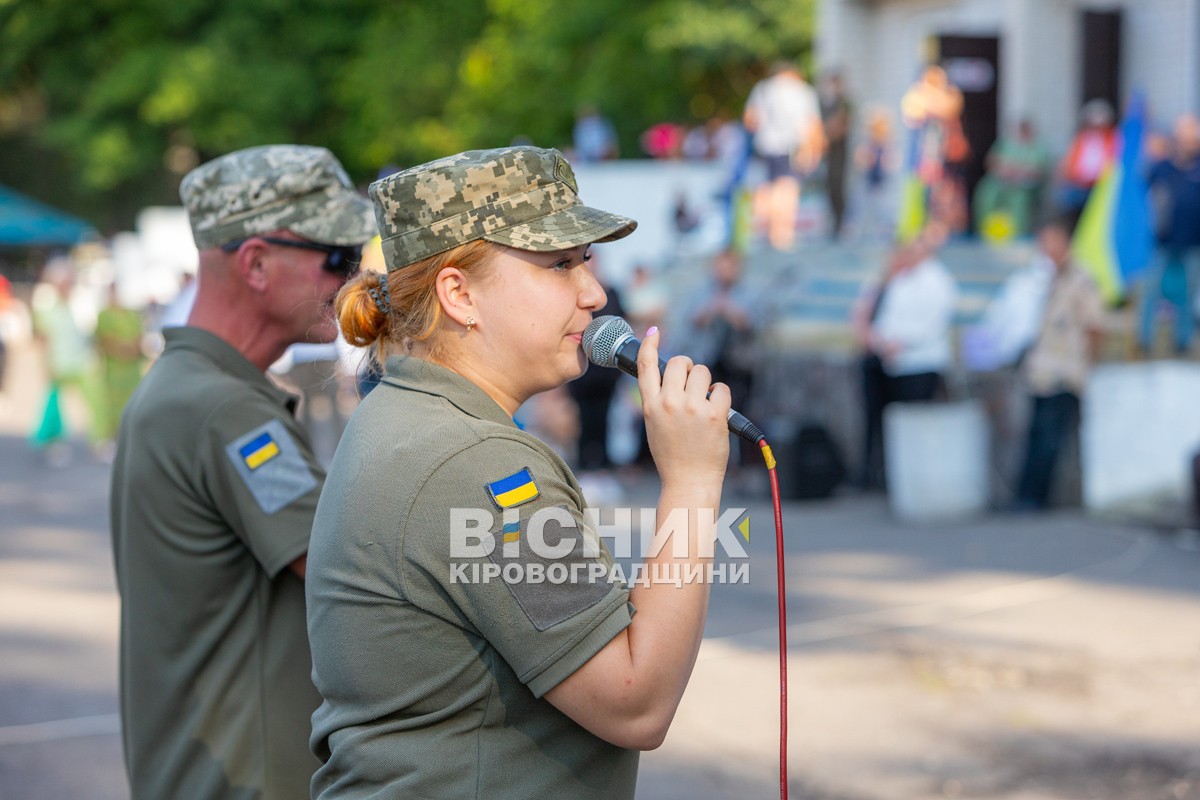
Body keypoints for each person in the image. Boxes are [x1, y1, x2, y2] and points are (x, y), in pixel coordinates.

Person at [306, 146, 732, 799]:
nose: (593, 293)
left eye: (585, 260)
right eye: (558, 264)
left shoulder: (405, 408)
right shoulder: (478, 463)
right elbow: (635, 701)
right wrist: (694, 481)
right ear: (459, 293)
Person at [109, 144, 375, 799]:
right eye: (336, 259)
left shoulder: (190, 388)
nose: (349, 281)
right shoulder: (225, 409)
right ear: (256, 262)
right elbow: (354, 567)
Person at [853, 222, 958, 489]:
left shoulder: (937, 281)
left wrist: (899, 342)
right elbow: (885, 318)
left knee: (915, 426)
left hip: (920, 363)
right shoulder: (901, 278)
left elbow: (930, 324)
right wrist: (882, 340)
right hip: (895, 362)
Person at [1012, 219, 1105, 510]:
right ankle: (1026, 495)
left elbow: (1095, 327)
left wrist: (1085, 365)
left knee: (1050, 439)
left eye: (1048, 242)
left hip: (1064, 373)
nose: (1044, 249)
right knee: (1035, 435)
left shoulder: (1081, 279)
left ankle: (1036, 499)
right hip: (1040, 371)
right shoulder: (1043, 278)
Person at [743, 60, 825, 250]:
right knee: (786, 189)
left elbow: (750, 119)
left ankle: (763, 231)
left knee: (767, 188)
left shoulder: (763, 89)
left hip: (765, 146)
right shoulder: (802, 91)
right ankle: (781, 235)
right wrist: (813, 149)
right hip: (790, 146)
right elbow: (812, 124)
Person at [1139, 113, 1200, 356]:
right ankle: (1144, 340)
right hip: (1162, 241)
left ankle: (1182, 341)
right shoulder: (1161, 167)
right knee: (1151, 290)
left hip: (1193, 241)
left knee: (1187, 292)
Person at [973, 118, 1051, 239]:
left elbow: (1039, 170)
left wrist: (1019, 172)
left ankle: (1019, 235)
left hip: (1024, 186)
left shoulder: (1038, 147)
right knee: (986, 194)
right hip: (1001, 182)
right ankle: (984, 232)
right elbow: (991, 162)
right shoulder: (1006, 143)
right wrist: (1004, 170)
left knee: (1018, 201)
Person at [93, 284, 145, 455]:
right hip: (114, 370)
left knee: (133, 404)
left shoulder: (131, 315)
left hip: (131, 371)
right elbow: (105, 341)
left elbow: (139, 338)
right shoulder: (105, 315)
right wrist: (123, 349)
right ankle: (112, 439)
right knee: (112, 407)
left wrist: (131, 348)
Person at [1055, 99, 1117, 225]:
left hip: (1102, 184)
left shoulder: (1113, 139)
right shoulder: (1081, 139)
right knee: (1067, 199)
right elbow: (1069, 161)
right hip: (1078, 182)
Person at [819, 71, 854, 239]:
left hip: (839, 152)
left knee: (838, 186)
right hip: (826, 153)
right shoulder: (823, 103)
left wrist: (828, 135)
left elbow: (841, 126)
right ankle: (832, 222)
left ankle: (840, 223)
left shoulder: (844, 103)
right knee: (828, 188)